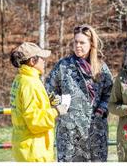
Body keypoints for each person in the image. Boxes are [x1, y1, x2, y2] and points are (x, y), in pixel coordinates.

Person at [45, 25, 113, 162]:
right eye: (75, 42)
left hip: (95, 132)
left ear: (91, 44)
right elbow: (48, 91)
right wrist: (61, 104)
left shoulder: (101, 68)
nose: (78, 46)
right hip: (69, 133)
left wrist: (102, 110)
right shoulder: (63, 66)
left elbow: (110, 93)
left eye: (82, 42)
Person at [10, 42, 70, 162]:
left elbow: (26, 109)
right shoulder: (31, 84)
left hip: (25, 147)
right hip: (35, 151)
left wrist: (47, 102)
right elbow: (35, 122)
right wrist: (56, 111)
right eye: (41, 58)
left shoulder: (20, 79)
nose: (44, 61)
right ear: (32, 61)